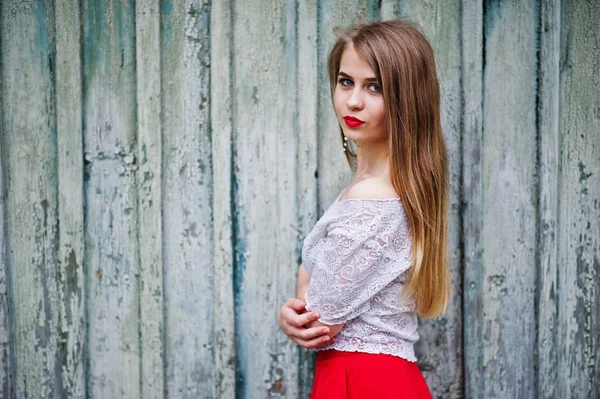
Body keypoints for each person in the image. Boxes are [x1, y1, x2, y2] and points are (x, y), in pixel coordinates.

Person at [277, 19, 450, 398]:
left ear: (409, 99)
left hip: (364, 381)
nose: (353, 101)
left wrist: (299, 293)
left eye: (375, 87)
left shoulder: (372, 199)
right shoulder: (385, 188)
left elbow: (319, 318)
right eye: (345, 81)